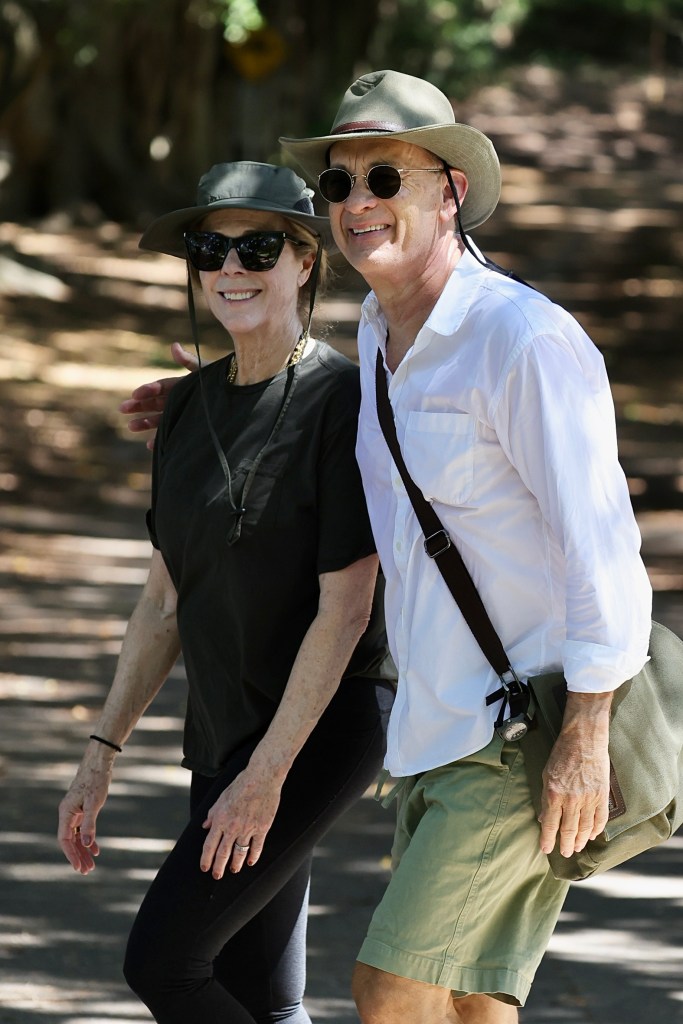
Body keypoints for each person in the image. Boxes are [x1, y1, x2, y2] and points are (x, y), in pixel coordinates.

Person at [125, 71, 653, 1024]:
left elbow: (601, 548)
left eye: (385, 177)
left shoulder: (519, 339)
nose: (358, 202)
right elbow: (310, 416)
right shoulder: (375, 334)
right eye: (339, 184)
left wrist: (584, 732)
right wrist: (208, 400)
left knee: (390, 987)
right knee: (468, 1000)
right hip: (429, 729)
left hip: (520, 730)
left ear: (449, 189)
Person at [57, 160, 396, 1024]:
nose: (232, 268)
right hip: (222, 727)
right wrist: (101, 750)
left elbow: (347, 608)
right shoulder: (184, 410)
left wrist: (265, 774)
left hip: (316, 728)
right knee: (261, 996)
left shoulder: (342, 401)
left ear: (305, 260)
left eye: (258, 247)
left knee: (165, 964)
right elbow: (162, 601)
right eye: (212, 248)